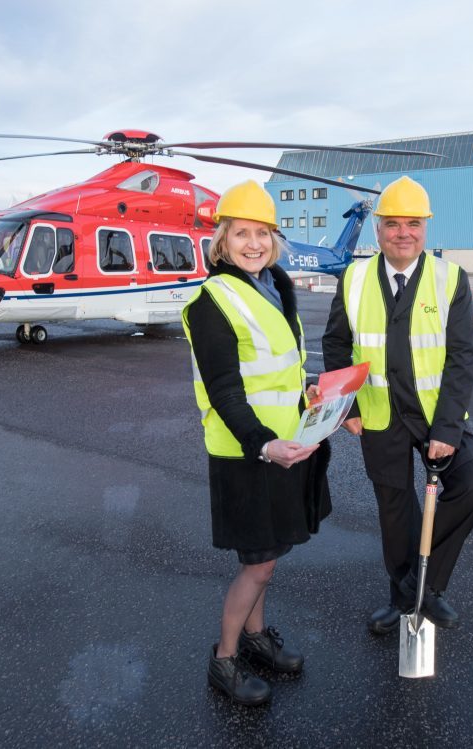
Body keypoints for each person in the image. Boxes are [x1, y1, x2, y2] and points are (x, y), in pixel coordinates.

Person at [181, 180, 332, 706]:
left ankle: (254, 637)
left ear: (275, 239)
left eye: (262, 233)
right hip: (245, 451)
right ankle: (223, 659)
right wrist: (264, 443)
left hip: (283, 444)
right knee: (258, 562)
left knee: (270, 553)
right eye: (241, 233)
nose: (253, 243)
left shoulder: (273, 287)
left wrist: (310, 390)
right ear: (222, 240)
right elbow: (224, 389)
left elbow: (279, 368)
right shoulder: (212, 301)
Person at [322, 175, 473, 636]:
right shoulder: (354, 278)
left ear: (426, 229)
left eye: (412, 223)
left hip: (438, 414)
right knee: (395, 508)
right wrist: (346, 409)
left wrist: (447, 430)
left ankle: (422, 584)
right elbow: (336, 344)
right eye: (393, 223)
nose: (403, 233)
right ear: (378, 229)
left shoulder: (449, 278)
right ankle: (404, 600)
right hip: (379, 413)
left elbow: (462, 357)